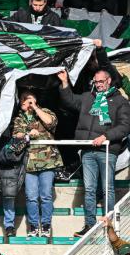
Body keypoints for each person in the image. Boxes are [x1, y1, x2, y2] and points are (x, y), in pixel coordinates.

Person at [56, 68, 130, 236]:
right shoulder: (88, 97)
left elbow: (125, 126)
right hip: (88, 150)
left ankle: (109, 225)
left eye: (101, 82)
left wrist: (106, 136)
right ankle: (89, 225)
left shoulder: (120, 101)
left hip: (107, 150)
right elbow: (70, 101)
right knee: (89, 189)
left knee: (107, 189)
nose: (98, 85)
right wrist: (65, 83)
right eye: (95, 82)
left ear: (109, 81)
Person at [14, 90, 62, 238]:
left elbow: (50, 122)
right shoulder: (19, 119)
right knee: (31, 196)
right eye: (25, 101)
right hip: (29, 163)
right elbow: (16, 135)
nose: (28, 103)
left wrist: (35, 108)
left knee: (46, 195)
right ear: (21, 103)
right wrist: (28, 135)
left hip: (48, 161)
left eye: (31, 100)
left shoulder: (45, 111)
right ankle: (34, 226)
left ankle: (46, 225)